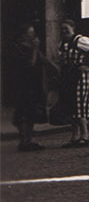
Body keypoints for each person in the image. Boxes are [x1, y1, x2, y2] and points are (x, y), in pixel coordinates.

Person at [55, 18, 89, 147]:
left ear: (73, 29)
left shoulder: (81, 40)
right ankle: (75, 136)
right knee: (71, 107)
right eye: (62, 29)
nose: (64, 31)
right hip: (68, 77)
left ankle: (84, 136)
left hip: (80, 77)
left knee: (80, 106)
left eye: (67, 29)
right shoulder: (62, 43)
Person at [10, 23, 52, 151]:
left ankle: (29, 139)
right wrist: (34, 49)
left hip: (34, 84)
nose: (33, 36)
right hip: (23, 84)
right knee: (24, 113)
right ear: (24, 35)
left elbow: (43, 61)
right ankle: (24, 141)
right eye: (31, 33)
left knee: (32, 112)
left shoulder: (31, 47)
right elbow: (29, 65)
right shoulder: (18, 48)